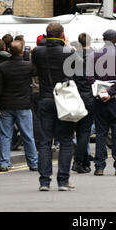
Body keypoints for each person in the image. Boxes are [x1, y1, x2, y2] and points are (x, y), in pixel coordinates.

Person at [32, 23, 79, 191]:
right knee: (66, 140)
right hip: (64, 100)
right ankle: (63, 181)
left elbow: (35, 70)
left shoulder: (37, 52)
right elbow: (77, 71)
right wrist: (66, 45)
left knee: (45, 142)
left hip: (45, 98)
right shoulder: (69, 52)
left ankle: (44, 182)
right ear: (62, 35)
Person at [86, 29, 116, 177]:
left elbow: (89, 77)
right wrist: (110, 93)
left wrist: (101, 93)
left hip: (99, 100)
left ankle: (99, 167)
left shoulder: (93, 55)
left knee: (100, 132)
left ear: (104, 40)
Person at [0, 40, 38, 172]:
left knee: (6, 135)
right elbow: (36, 70)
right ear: (22, 51)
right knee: (28, 135)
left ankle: (4, 162)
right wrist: (32, 54)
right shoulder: (28, 66)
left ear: (8, 50)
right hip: (23, 105)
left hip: (6, 105)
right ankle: (33, 163)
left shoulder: (2, 67)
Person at [71, 33, 95, 174]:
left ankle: (84, 163)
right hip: (89, 96)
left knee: (80, 131)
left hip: (75, 95)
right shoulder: (96, 56)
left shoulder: (73, 57)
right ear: (90, 42)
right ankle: (78, 161)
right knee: (84, 131)